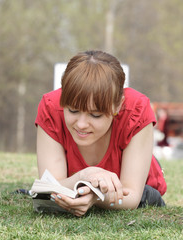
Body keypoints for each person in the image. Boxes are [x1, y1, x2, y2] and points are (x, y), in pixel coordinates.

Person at [35, 50, 167, 217]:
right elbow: (50, 187)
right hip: (79, 185)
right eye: (73, 111)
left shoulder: (137, 110)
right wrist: (85, 175)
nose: (81, 124)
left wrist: (95, 198)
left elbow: (132, 195)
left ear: (118, 105)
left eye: (95, 115)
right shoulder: (51, 107)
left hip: (142, 190)